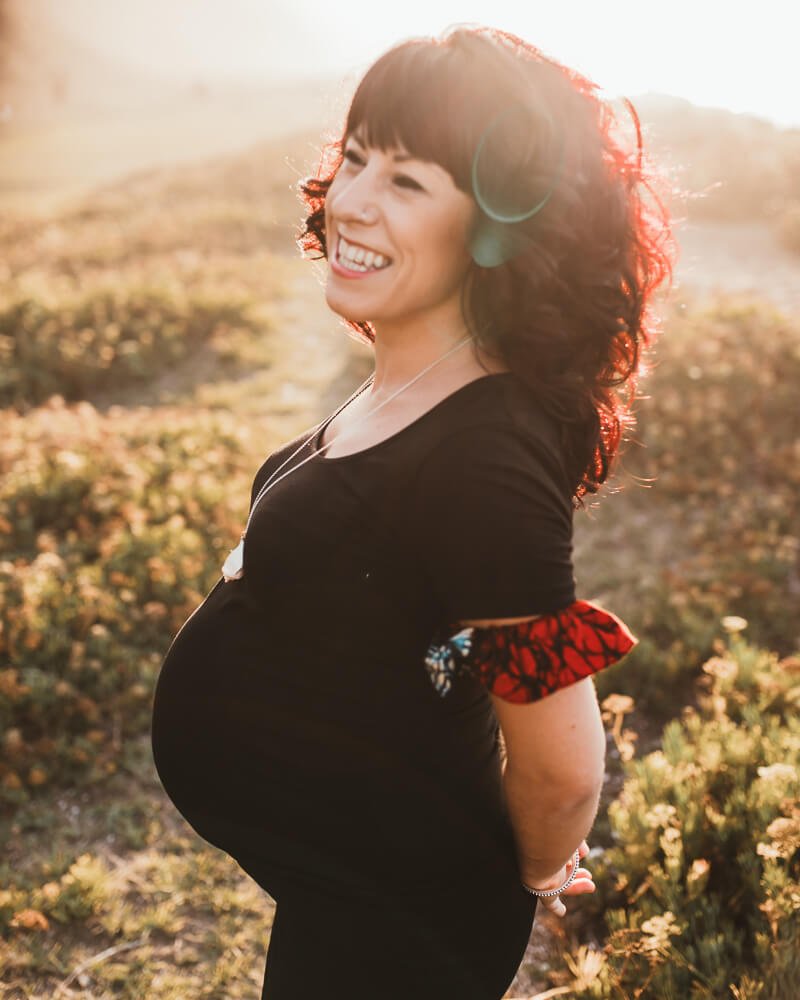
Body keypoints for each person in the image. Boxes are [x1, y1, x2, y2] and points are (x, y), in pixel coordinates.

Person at [150, 23, 675, 1000]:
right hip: (346, 891)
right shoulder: (419, 382)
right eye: (355, 158)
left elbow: (561, 768)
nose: (350, 198)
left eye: (405, 181)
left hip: (404, 924)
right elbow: (407, 623)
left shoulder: (486, 452)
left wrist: (534, 866)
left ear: (495, 224)